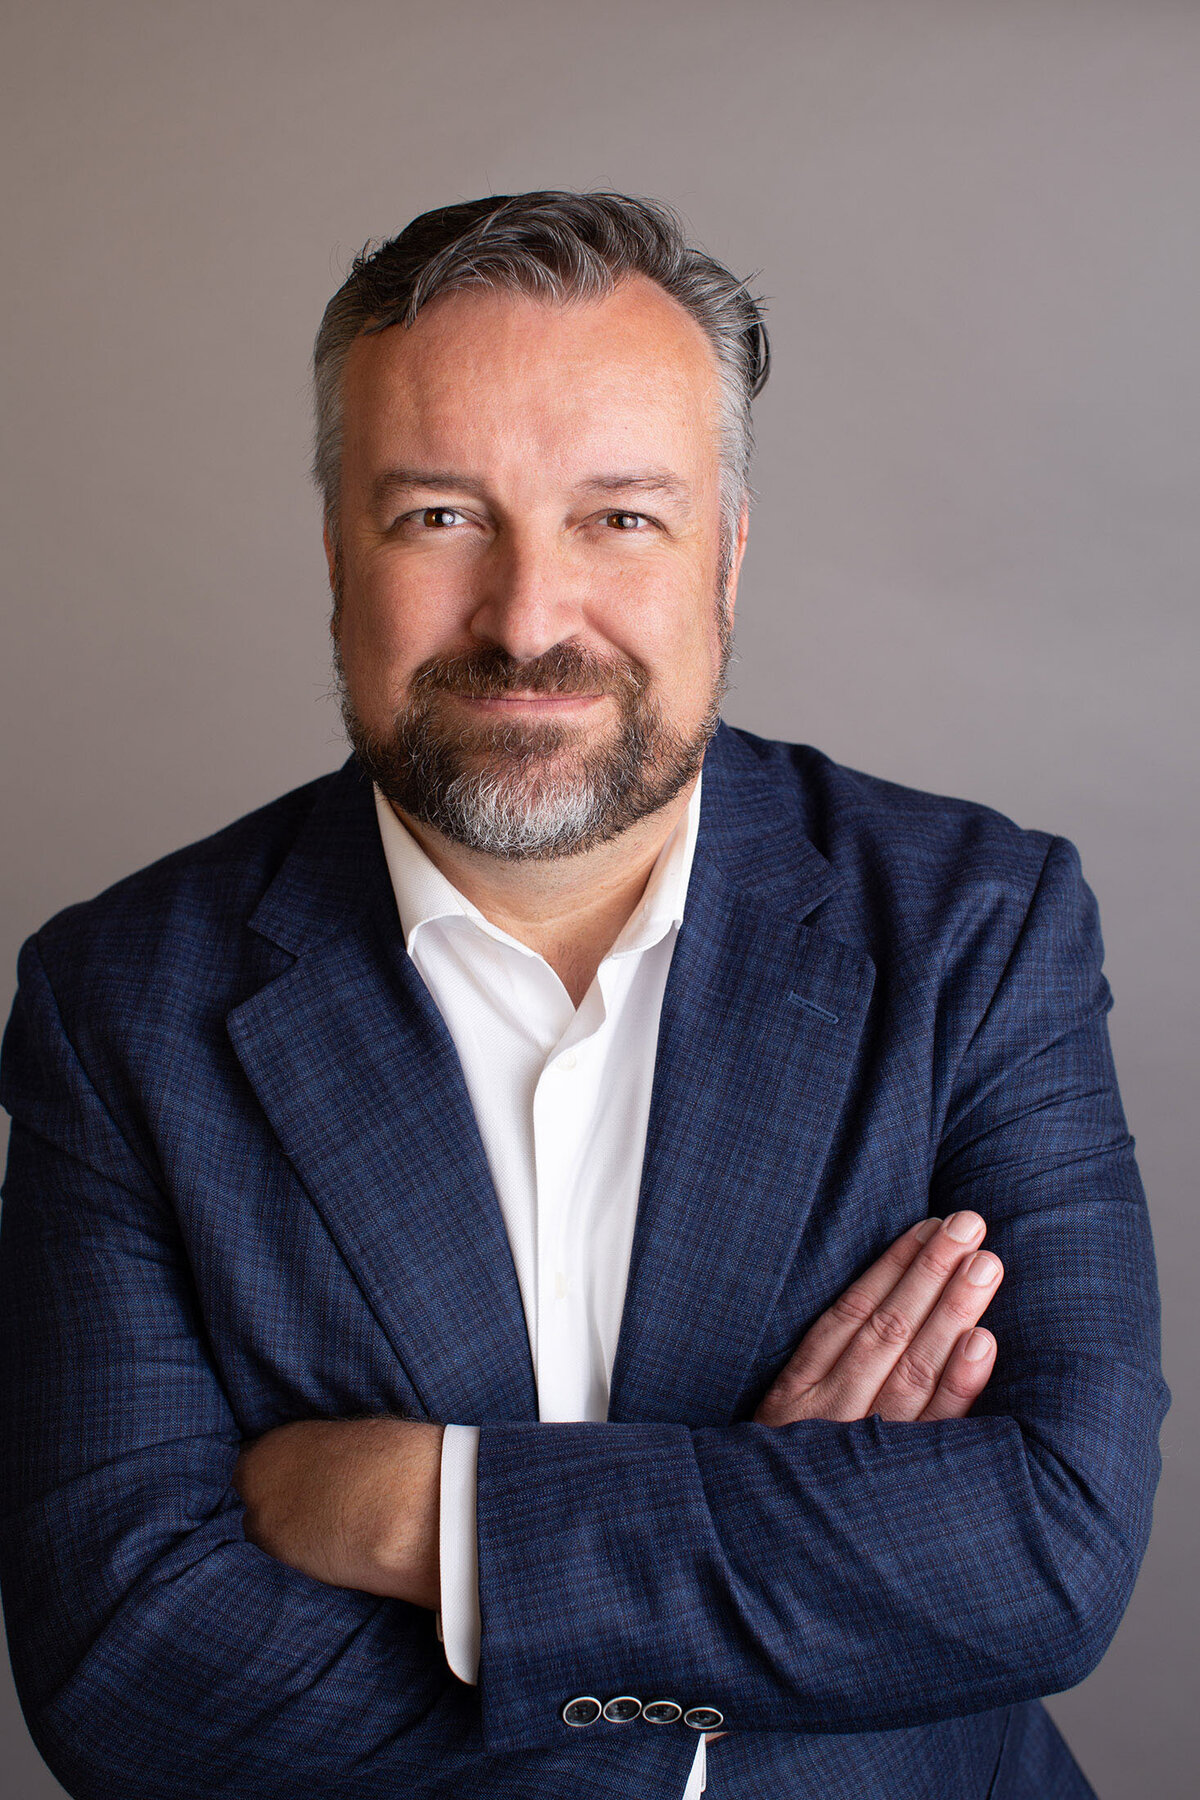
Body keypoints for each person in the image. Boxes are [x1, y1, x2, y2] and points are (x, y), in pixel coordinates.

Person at [0, 191, 1167, 1800]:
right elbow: (128, 1671)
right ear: (337, 548)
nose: (529, 619)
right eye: (439, 518)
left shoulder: (978, 927)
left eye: (621, 517)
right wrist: (711, 1706)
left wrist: (434, 1518)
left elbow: (1051, 1546)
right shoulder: (117, 1007)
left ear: (727, 554)